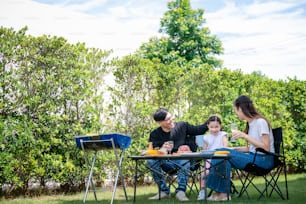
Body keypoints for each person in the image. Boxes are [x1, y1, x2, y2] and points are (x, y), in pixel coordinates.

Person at [206, 95, 275, 201]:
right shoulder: (251, 123)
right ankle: (221, 193)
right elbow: (253, 148)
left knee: (221, 153)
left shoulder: (260, 122)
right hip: (255, 157)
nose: (236, 113)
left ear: (241, 108)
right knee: (220, 153)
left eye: (236, 110)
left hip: (264, 161)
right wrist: (236, 149)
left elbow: (266, 148)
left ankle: (222, 193)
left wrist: (244, 135)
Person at [147, 108, 209, 201]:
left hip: (186, 162)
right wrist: (162, 149)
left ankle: (180, 191)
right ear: (159, 122)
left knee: (184, 158)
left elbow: (199, 130)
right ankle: (163, 191)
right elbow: (152, 152)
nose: (171, 120)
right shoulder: (155, 134)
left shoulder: (182, 126)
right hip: (168, 164)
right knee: (150, 161)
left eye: (171, 117)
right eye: (168, 119)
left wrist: (211, 120)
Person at [197, 115, 228, 200]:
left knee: (219, 172)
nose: (214, 129)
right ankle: (203, 191)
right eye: (212, 127)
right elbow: (204, 150)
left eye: (216, 127)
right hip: (209, 159)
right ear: (208, 126)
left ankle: (220, 191)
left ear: (220, 126)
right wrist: (200, 144)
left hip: (221, 158)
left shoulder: (223, 134)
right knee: (204, 173)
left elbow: (225, 145)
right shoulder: (206, 137)